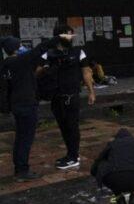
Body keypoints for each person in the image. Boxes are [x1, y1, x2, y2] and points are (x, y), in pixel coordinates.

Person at [39, 26, 96, 170]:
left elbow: (86, 72)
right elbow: (36, 71)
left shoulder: (78, 52)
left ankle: (74, 156)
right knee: (63, 127)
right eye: (66, 35)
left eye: (71, 35)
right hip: (56, 95)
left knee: (72, 126)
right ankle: (70, 154)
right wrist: (47, 68)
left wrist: (91, 91)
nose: (70, 38)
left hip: (72, 95)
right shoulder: (49, 53)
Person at [1, 35, 57, 181]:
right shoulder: (19, 61)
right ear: (15, 48)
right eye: (19, 46)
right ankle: (21, 171)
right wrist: (57, 38)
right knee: (25, 138)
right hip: (26, 104)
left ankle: (20, 168)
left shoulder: (6, 64)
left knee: (21, 137)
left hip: (16, 105)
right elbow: (38, 50)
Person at [90, 128, 134, 204]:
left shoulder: (112, 144)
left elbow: (99, 160)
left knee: (104, 164)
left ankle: (119, 197)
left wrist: (95, 174)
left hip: (115, 179)